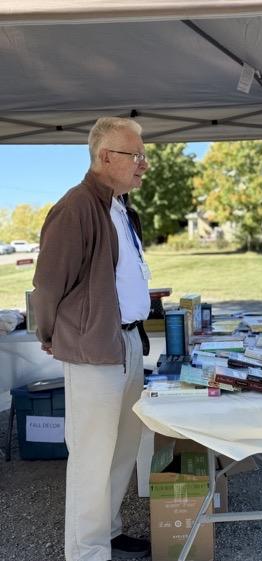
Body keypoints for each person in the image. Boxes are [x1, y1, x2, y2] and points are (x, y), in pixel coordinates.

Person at [32, 117, 151, 561]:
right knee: (91, 457)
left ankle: (108, 531)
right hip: (93, 349)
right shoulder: (76, 207)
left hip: (127, 343)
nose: (143, 165)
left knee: (121, 449)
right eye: (136, 156)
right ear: (106, 157)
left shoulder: (120, 207)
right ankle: (86, 553)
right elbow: (48, 285)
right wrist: (50, 334)